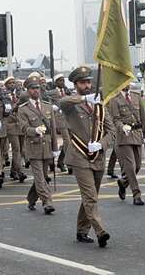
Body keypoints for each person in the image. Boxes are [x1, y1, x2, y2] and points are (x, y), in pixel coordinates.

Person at [59, 66, 115, 247]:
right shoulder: (72, 105)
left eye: (89, 82)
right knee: (90, 196)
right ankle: (100, 231)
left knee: (90, 196)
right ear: (75, 85)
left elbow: (112, 131)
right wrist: (84, 98)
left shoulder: (99, 105)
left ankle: (82, 230)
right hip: (79, 156)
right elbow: (62, 102)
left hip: (97, 155)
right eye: (83, 83)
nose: (87, 86)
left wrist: (102, 144)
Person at [17, 77, 58, 214]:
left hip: (46, 147)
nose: (36, 91)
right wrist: (35, 130)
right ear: (27, 91)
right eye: (32, 88)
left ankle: (31, 198)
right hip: (33, 146)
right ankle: (47, 202)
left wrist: (55, 148)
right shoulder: (23, 109)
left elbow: (52, 129)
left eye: (37, 88)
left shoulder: (47, 106)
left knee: (42, 176)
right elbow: (23, 128)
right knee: (40, 177)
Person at [108, 85, 145, 206]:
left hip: (137, 134)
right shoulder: (114, 99)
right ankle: (137, 194)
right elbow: (115, 119)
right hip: (124, 136)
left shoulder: (136, 96)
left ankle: (123, 182)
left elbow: (143, 117)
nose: (127, 84)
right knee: (130, 167)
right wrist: (122, 127)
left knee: (137, 166)